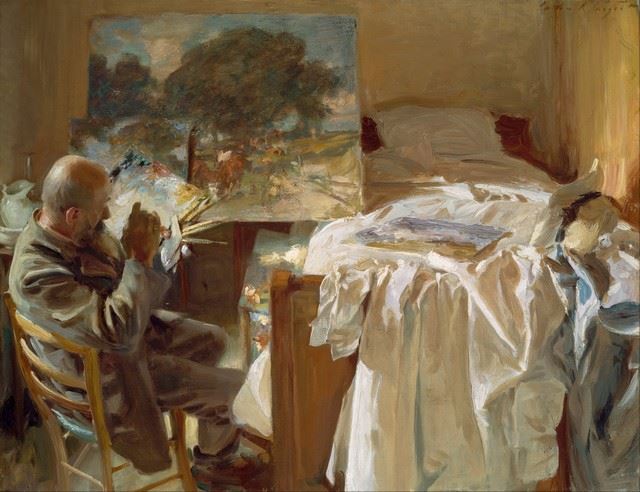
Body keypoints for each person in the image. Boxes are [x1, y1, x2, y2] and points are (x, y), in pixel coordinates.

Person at [9, 155, 263, 483]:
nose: (107, 215)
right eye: (101, 207)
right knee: (235, 388)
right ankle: (216, 466)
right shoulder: (35, 275)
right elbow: (116, 331)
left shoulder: (76, 231)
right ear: (73, 215)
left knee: (213, 340)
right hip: (102, 382)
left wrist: (147, 248)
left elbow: (117, 287)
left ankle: (210, 443)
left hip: (114, 348)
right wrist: (140, 261)